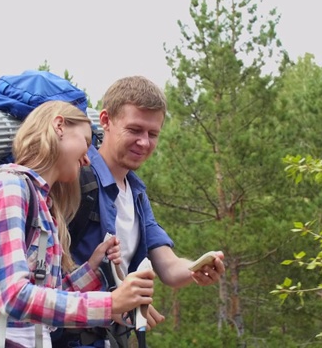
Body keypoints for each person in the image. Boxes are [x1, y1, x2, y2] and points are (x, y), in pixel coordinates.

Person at [0, 101, 156, 348]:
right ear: (59, 126)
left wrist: (93, 269)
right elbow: (14, 298)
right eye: (87, 144)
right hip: (2, 339)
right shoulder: (9, 188)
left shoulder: (42, 202)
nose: (88, 160)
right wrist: (111, 304)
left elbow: (47, 298)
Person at [57, 76, 226, 347]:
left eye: (153, 133)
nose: (144, 143)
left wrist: (197, 268)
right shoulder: (75, 180)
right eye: (135, 130)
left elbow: (168, 267)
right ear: (106, 120)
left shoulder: (136, 194)